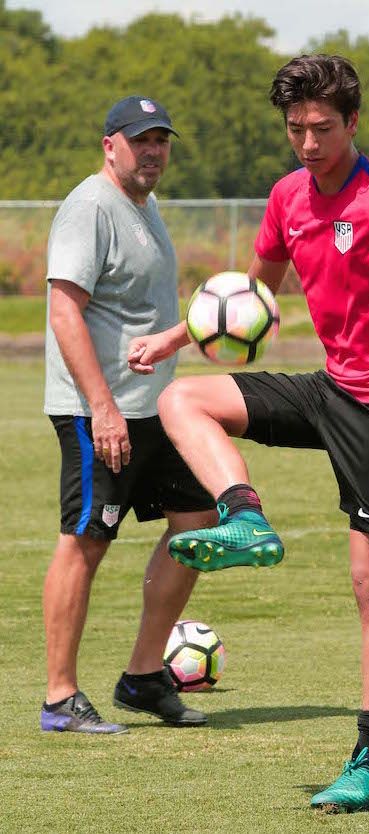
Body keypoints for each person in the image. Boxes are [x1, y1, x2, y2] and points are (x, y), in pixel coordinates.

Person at [129, 55, 369, 809]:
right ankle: (245, 516)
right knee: (182, 401)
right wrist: (174, 339)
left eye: (321, 128)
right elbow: (254, 293)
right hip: (330, 390)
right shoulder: (286, 197)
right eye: (295, 129)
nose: (306, 143)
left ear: (352, 122)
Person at [42, 95, 216, 734]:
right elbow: (66, 311)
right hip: (101, 412)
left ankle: (143, 677)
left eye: (161, 140)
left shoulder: (146, 206)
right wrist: (102, 408)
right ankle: (60, 696)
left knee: (199, 522)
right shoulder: (91, 205)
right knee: (86, 541)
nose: (152, 150)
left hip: (156, 409)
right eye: (139, 139)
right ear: (108, 143)